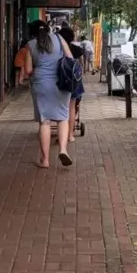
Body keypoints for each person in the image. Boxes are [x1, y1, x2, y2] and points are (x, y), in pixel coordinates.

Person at [22, 19, 74, 168]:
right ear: (48, 28)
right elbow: (70, 58)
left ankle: (45, 160)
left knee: (44, 122)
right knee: (62, 118)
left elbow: (28, 70)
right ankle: (63, 150)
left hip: (41, 85)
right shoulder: (59, 38)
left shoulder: (31, 45)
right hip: (62, 83)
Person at [59, 27, 86, 143]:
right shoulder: (77, 49)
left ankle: (62, 134)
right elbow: (81, 63)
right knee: (72, 108)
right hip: (74, 81)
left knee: (60, 108)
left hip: (61, 80)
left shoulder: (58, 49)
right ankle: (70, 135)